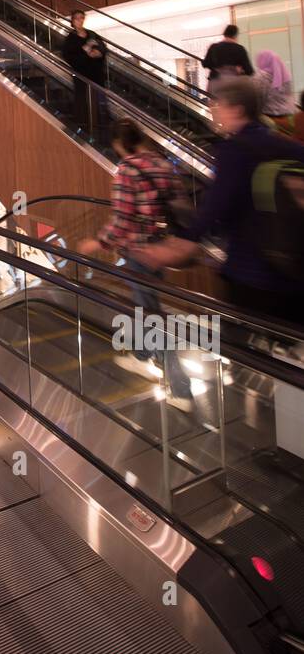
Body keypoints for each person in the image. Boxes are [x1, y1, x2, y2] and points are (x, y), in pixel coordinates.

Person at [137, 77, 304, 330]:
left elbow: (215, 208)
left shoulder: (234, 150)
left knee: (248, 356)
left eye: (217, 105)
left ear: (237, 109)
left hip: (251, 275)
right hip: (295, 273)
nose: (213, 111)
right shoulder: (286, 146)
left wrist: (182, 242)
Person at [77, 119, 193, 406]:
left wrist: (97, 242)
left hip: (139, 251)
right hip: (163, 249)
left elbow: (122, 220)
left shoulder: (128, 171)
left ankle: (181, 388)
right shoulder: (164, 165)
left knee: (151, 312)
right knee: (146, 305)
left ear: (121, 144)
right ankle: (142, 355)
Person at [61, 9, 108, 138]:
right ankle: (84, 125)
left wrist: (98, 53)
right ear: (72, 21)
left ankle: (101, 123)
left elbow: (103, 48)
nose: (79, 20)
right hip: (81, 75)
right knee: (82, 98)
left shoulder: (92, 34)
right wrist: (85, 53)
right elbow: (68, 56)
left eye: (82, 18)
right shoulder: (70, 38)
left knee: (99, 98)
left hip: (96, 74)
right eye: (76, 18)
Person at [202, 25, 253, 96]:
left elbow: (205, 64)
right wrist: (240, 71)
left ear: (225, 34)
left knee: (216, 105)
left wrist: (216, 67)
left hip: (215, 84)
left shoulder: (214, 47)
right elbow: (249, 71)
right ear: (235, 35)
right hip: (233, 86)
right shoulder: (240, 49)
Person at [255, 50, 294, 128]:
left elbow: (257, 98)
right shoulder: (286, 74)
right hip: (289, 116)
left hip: (269, 118)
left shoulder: (261, 77)